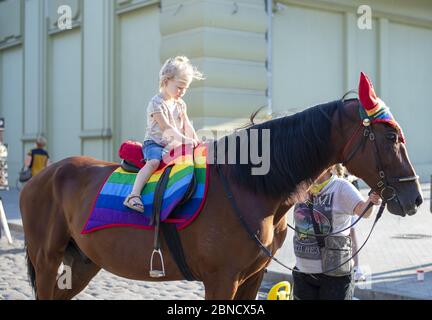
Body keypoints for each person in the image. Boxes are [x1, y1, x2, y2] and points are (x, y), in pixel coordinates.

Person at [123, 56, 204, 213]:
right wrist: (185, 140)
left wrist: (197, 142)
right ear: (166, 81)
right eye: (179, 87)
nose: (182, 92)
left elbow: (187, 125)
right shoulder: (156, 103)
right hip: (155, 143)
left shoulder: (180, 104)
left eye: (185, 88)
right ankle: (133, 195)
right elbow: (166, 128)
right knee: (153, 162)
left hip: (173, 143)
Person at [292, 165, 381, 300]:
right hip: (303, 273)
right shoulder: (301, 187)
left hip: (335, 276)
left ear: (328, 166)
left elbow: (364, 211)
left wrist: (372, 200)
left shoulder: (340, 187)